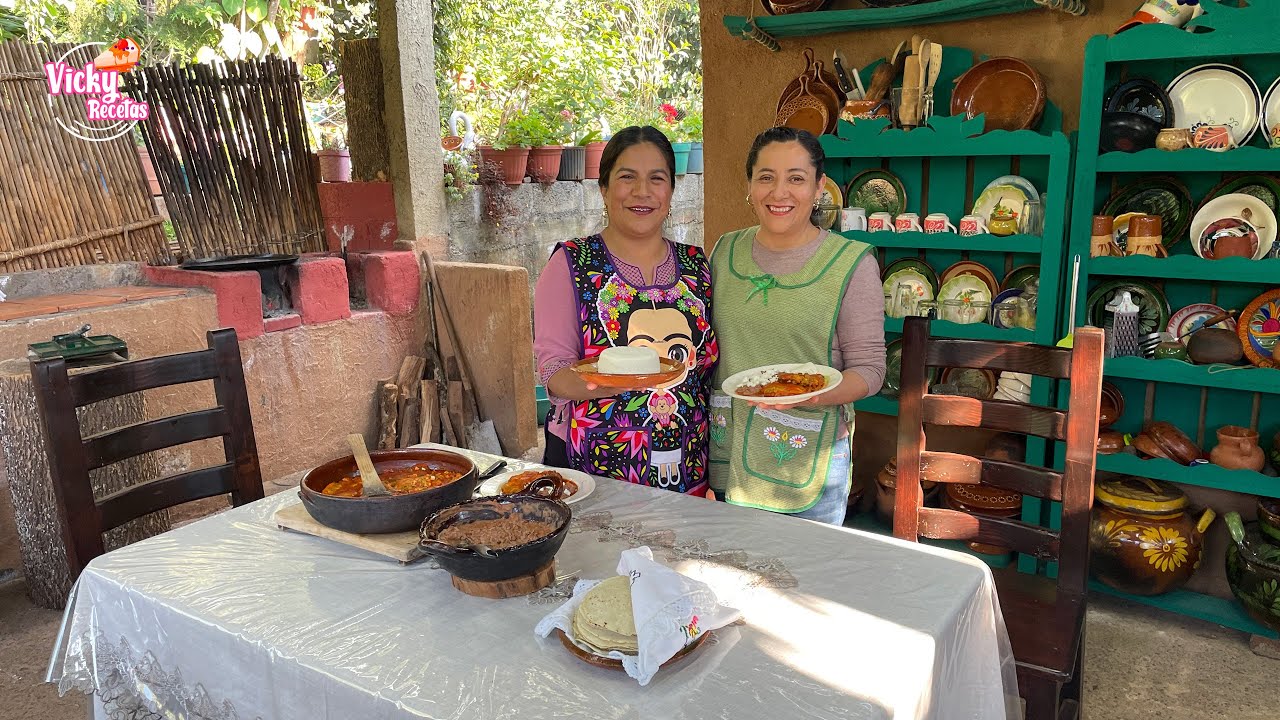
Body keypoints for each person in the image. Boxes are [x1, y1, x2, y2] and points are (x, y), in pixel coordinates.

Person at [708, 126, 885, 524]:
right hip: (726, 450)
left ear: (820, 186)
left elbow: (870, 370)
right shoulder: (723, 251)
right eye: (766, 177)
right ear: (750, 184)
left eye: (796, 178)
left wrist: (807, 397)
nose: (779, 192)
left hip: (805, 450)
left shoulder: (850, 263)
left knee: (801, 583)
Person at [533, 126, 718, 495]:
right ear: (604, 189)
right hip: (596, 464)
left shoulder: (698, 265)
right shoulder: (572, 262)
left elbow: (709, 365)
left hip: (686, 461)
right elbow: (553, 369)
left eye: (656, 178)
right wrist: (617, 381)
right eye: (627, 177)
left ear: (670, 191)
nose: (642, 192)